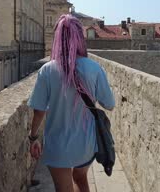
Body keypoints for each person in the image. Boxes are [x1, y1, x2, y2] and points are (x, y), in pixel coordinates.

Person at [27, 14, 115, 192]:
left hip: (57, 145)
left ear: (57, 38)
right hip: (86, 144)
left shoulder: (47, 70)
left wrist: (33, 137)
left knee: (63, 188)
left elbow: (39, 111)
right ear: (80, 38)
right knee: (80, 177)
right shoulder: (94, 68)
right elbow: (110, 104)